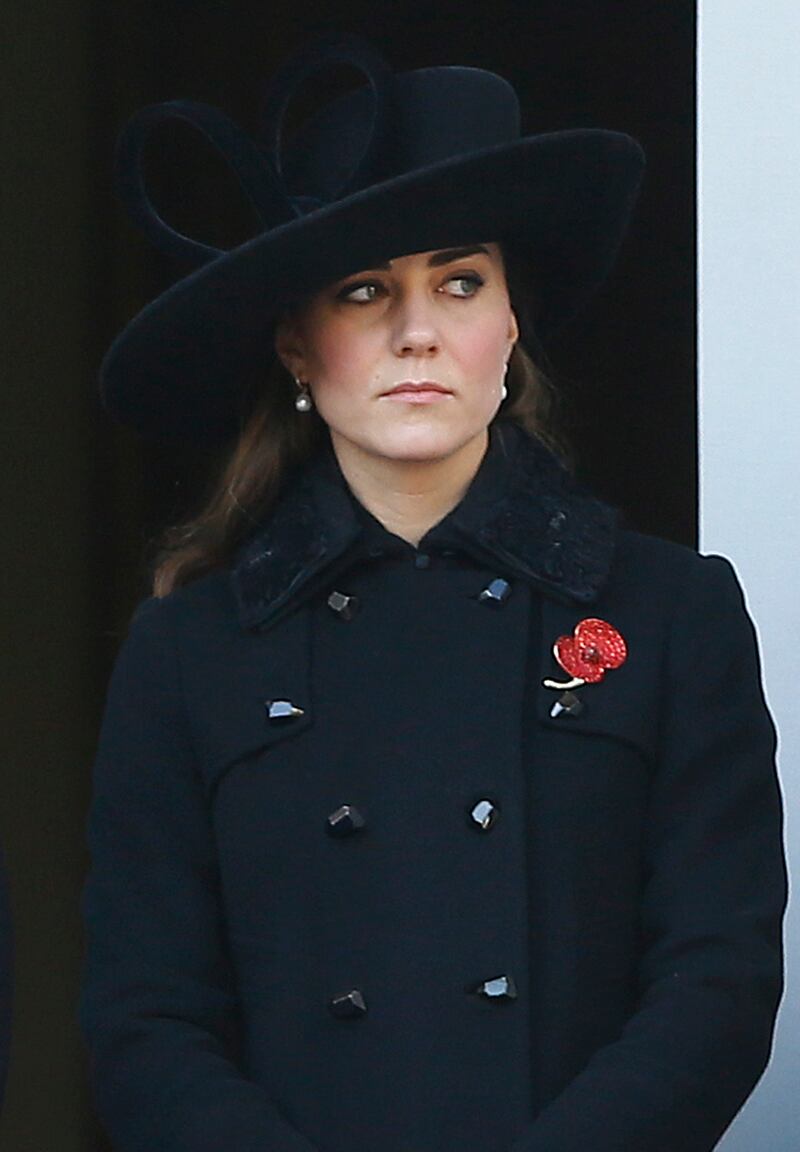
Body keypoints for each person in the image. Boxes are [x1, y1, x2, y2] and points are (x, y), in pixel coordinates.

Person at [80, 36, 787, 1152]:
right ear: (296, 346)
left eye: (459, 283)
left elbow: (717, 979)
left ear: (509, 324)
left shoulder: (669, 613)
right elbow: (144, 1022)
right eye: (365, 291)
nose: (418, 333)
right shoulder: (187, 652)